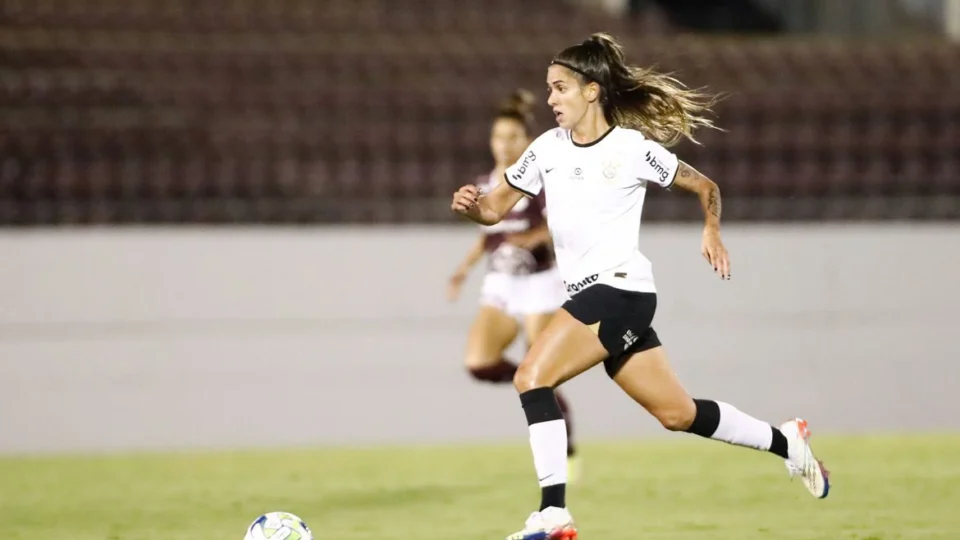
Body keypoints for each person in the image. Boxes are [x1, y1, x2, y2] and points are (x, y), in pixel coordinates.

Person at [450, 33, 830, 540]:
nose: (550, 99)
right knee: (678, 413)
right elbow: (495, 209)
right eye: (548, 89)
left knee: (531, 378)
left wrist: (711, 228)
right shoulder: (546, 150)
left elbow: (704, 186)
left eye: (559, 87)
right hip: (596, 296)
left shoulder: (631, 149)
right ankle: (789, 443)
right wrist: (474, 206)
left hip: (620, 291)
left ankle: (553, 513)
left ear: (591, 90)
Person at [447, 89, 579, 473]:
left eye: (511, 137)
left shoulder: (539, 179)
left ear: (526, 141)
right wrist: (464, 267)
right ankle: (530, 383)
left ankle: (558, 448)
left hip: (540, 282)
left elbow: (557, 225)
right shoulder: (484, 182)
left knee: (542, 372)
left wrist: (531, 239)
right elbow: (488, 234)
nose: (503, 144)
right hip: (502, 284)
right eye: (497, 136)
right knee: (478, 362)